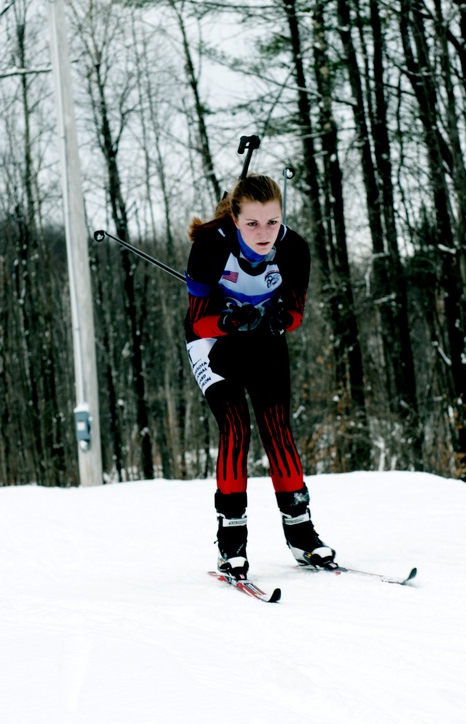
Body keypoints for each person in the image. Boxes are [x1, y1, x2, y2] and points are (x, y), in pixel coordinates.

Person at [184, 174, 334, 580]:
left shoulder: (294, 248)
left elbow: (297, 312)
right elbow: (197, 323)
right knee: (236, 428)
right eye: (252, 223)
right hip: (214, 343)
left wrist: (278, 317)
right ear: (235, 218)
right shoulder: (210, 246)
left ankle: (302, 534)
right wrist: (231, 319)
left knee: (277, 428)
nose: (264, 232)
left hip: (263, 339)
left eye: (272, 221)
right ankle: (231, 542)